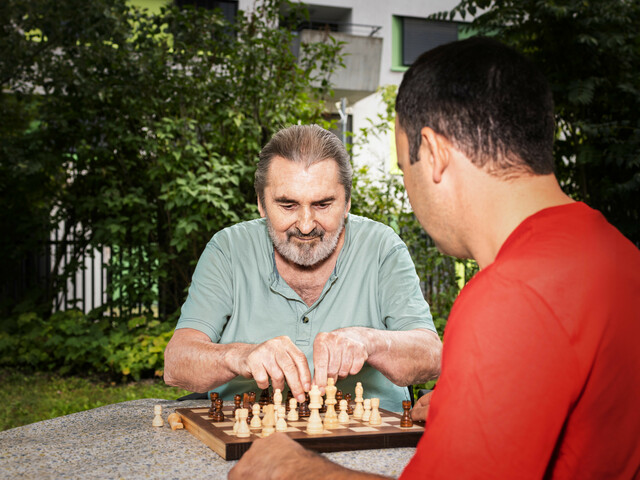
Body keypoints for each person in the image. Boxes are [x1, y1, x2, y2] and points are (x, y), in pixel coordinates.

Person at [228, 37, 640, 479]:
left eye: (406, 166)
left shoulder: (509, 297)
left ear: (435, 154)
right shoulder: (618, 254)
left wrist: (285, 467)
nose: (410, 189)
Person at [163, 124, 443, 410]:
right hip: (247, 443)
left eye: (322, 204)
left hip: (371, 442)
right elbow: (176, 364)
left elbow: (432, 357)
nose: (306, 225)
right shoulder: (228, 249)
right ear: (261, 204)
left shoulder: (382, 247)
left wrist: (369, 341)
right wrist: (240, 356)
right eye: (287, 205)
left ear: (347, 202)